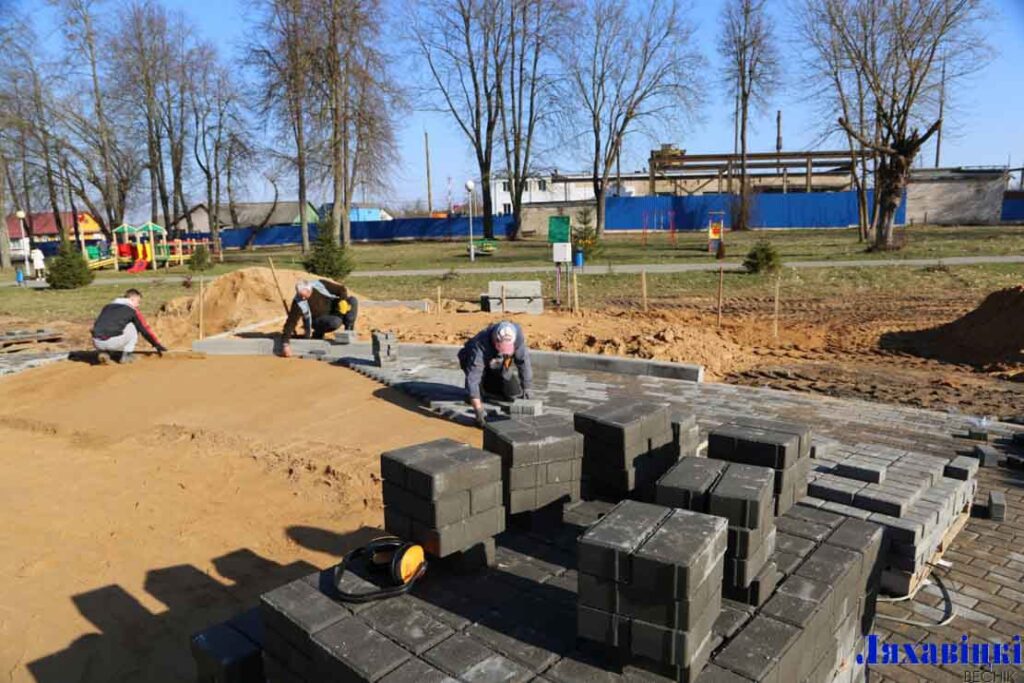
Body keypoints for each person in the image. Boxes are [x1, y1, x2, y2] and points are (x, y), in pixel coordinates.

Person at [458, 321, 533, 427]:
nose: (504, 351)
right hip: (474, 361)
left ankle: (491, 385)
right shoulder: (481, 344)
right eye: (502, 348)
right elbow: (473, 379)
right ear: (495, 340)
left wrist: (527, 387)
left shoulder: (518, 336)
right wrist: (478, 411)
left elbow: (523, 363)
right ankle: (478, 390)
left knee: (513, 393)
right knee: (475, 393)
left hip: (498, 362)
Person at [280, 279, 358, 357]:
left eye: (304, 295)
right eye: (300, 295)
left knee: (353, 301)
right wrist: (285, 344)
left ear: (310, 289)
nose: (303, 298)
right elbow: (291, 322)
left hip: (335, 312)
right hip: (318, 321)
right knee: (335, 322)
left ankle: (348, 332)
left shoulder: (320, 285)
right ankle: (318, 332)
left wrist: (342, 300)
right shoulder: (298, 302)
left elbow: (342, 289)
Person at [91, 288, 167, 364]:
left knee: (110, 325)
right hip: (113, 343)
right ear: (132, 299)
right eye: (138, 301)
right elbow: (144, 330)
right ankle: (127, 355)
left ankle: (104, 353)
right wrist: (156, 344)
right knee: (132, 326)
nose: (138, 305)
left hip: (96, 342)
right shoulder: (132, 310)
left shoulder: (107, 307)